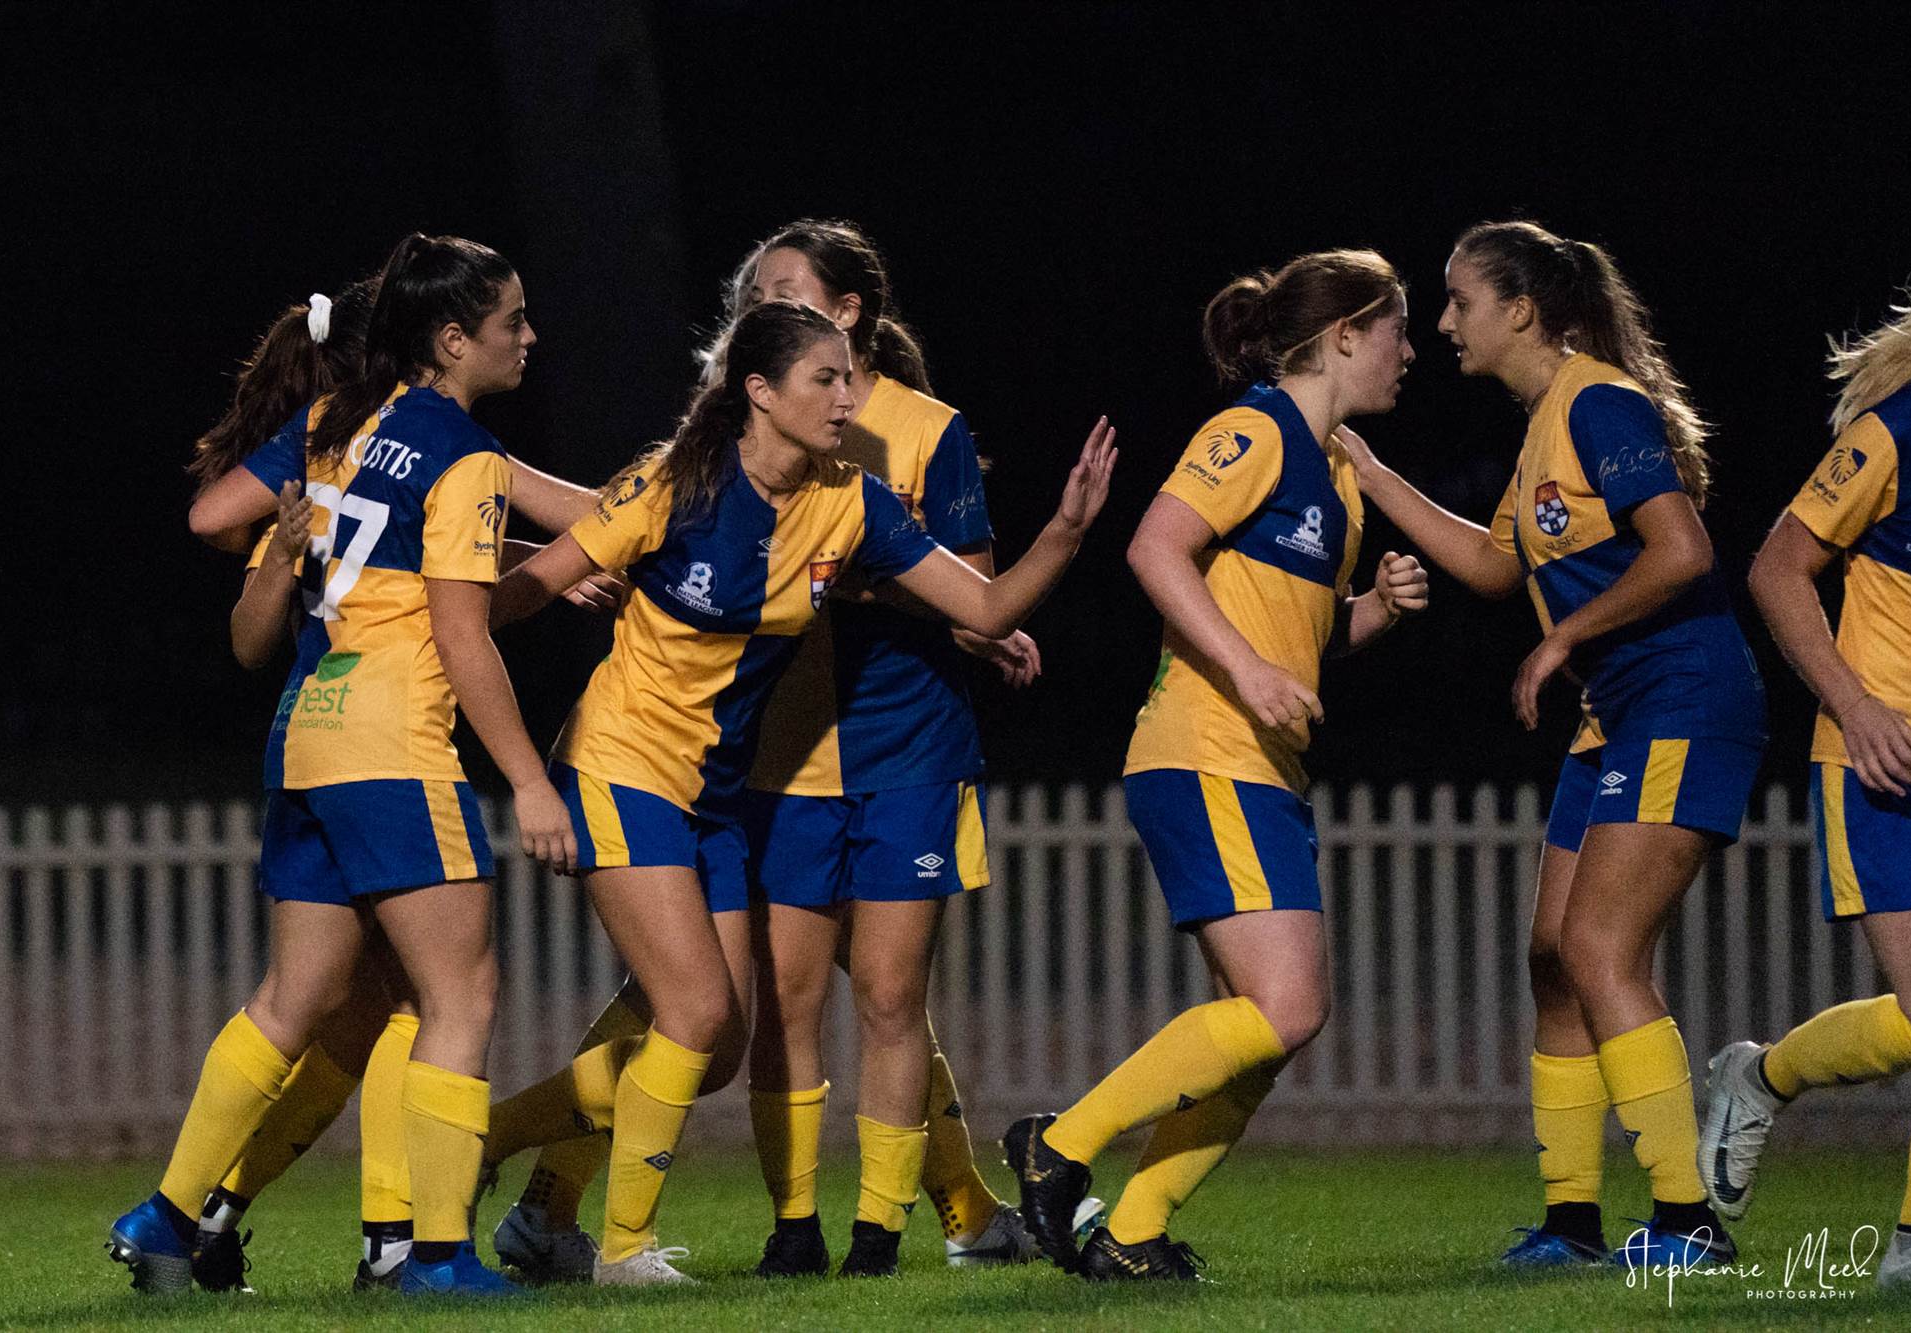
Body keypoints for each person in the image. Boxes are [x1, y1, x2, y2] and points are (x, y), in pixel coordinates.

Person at [491, 298, 1117, 1284]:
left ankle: (487, 1138)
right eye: (824, 379)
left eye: (850, 377)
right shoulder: (675, 481)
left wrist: (1068, 530)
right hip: (621, 763)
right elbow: (531, 587)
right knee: (696, 1013)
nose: (845, 395)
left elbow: (986, 603)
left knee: (723, 1042)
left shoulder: (852, 499)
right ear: (758, 392)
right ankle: (620, 1249)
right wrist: (431, 595)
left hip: (717, 791)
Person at [110, 232, 565, 1299]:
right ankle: (435, 1258)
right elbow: (462, 635)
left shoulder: (333, 423)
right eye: (512, 320)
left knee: (295, 997)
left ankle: (170, 1215)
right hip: (394, 738)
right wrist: (530, 780)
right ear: (454, 339)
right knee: (459, 993)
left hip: (307, 728)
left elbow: (229, 519)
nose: (528, 336)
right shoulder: (461, 454)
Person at [1337, 220, 1765, 1269]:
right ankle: (1571, 1225)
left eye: (1458, 300)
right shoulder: (1541, 425)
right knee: (1549, 959)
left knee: (1597, 951)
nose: (1442, 323)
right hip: (1615, 712)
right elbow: (1491, 567)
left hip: (1682, 697)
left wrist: (1563, 634)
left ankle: (1689, 1222)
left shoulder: (1598, 402)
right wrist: (1361, 462)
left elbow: (1681, 550)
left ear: (1520, 307)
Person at [1006, 249, 1427, 1280]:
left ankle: (1137, 1230)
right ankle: (1055, 1146)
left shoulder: (1334, 473)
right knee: (1286, 1007)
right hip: (1203, 751)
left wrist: (1372, 610)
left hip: (1255, 762)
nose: (1409, 353)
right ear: (1341, 336)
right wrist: (1245, 672)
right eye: (1394, 332)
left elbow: (1295, 640)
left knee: (1263, 1027)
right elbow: (1153, 548)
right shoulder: (1252, 429)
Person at [1701, 291, 1911, 1289]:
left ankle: (1761, 1074)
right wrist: (1855, 703)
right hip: (1884, 757)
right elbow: (1777, 567)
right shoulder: (1891, 432)